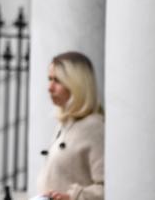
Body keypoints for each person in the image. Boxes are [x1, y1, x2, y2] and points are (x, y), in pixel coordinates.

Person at [35, 51, 104, 200]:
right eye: (49, 79)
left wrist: (73, 197)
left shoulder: (94, 127)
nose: (50, 87)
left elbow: (109, 188)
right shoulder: (66, 124)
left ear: (76, 84)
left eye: (57, 80)